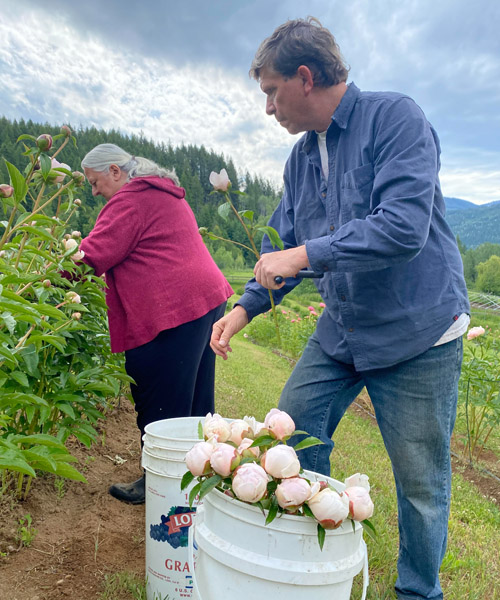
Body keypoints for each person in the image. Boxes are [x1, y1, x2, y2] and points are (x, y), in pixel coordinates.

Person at [210, 18, 469, 600]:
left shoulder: (395, 118)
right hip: (344, 330)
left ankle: (417, 592)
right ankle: (307, 554)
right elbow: (282, 247)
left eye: (272, 92)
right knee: (292, 435)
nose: (269, 108)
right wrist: (243, 310)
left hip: (417, 332)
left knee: (420, 482)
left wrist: (303, 252)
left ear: (305, 78)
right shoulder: (301, 160)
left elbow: (403, 228)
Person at [79, 144, 233, 504]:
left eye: (95, 182)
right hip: (204, 301)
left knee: (159, 397)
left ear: (115, 171)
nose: (94, 191)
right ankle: (199, 478)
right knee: (194, 397)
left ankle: (160, 482)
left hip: (174, 308)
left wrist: (44, 279)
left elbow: (93, 255)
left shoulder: (131, 199)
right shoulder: (162, 191)